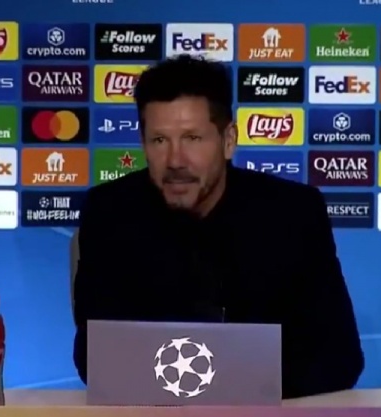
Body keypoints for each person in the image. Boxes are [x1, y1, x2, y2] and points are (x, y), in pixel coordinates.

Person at [72, 55, 364, 399]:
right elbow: (95, 356)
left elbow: (338, 356)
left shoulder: (293, 213)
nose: (175, 161)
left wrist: (217, 383)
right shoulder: (110, 212)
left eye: (193, 138)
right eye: (159, 140)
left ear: (228, 141)